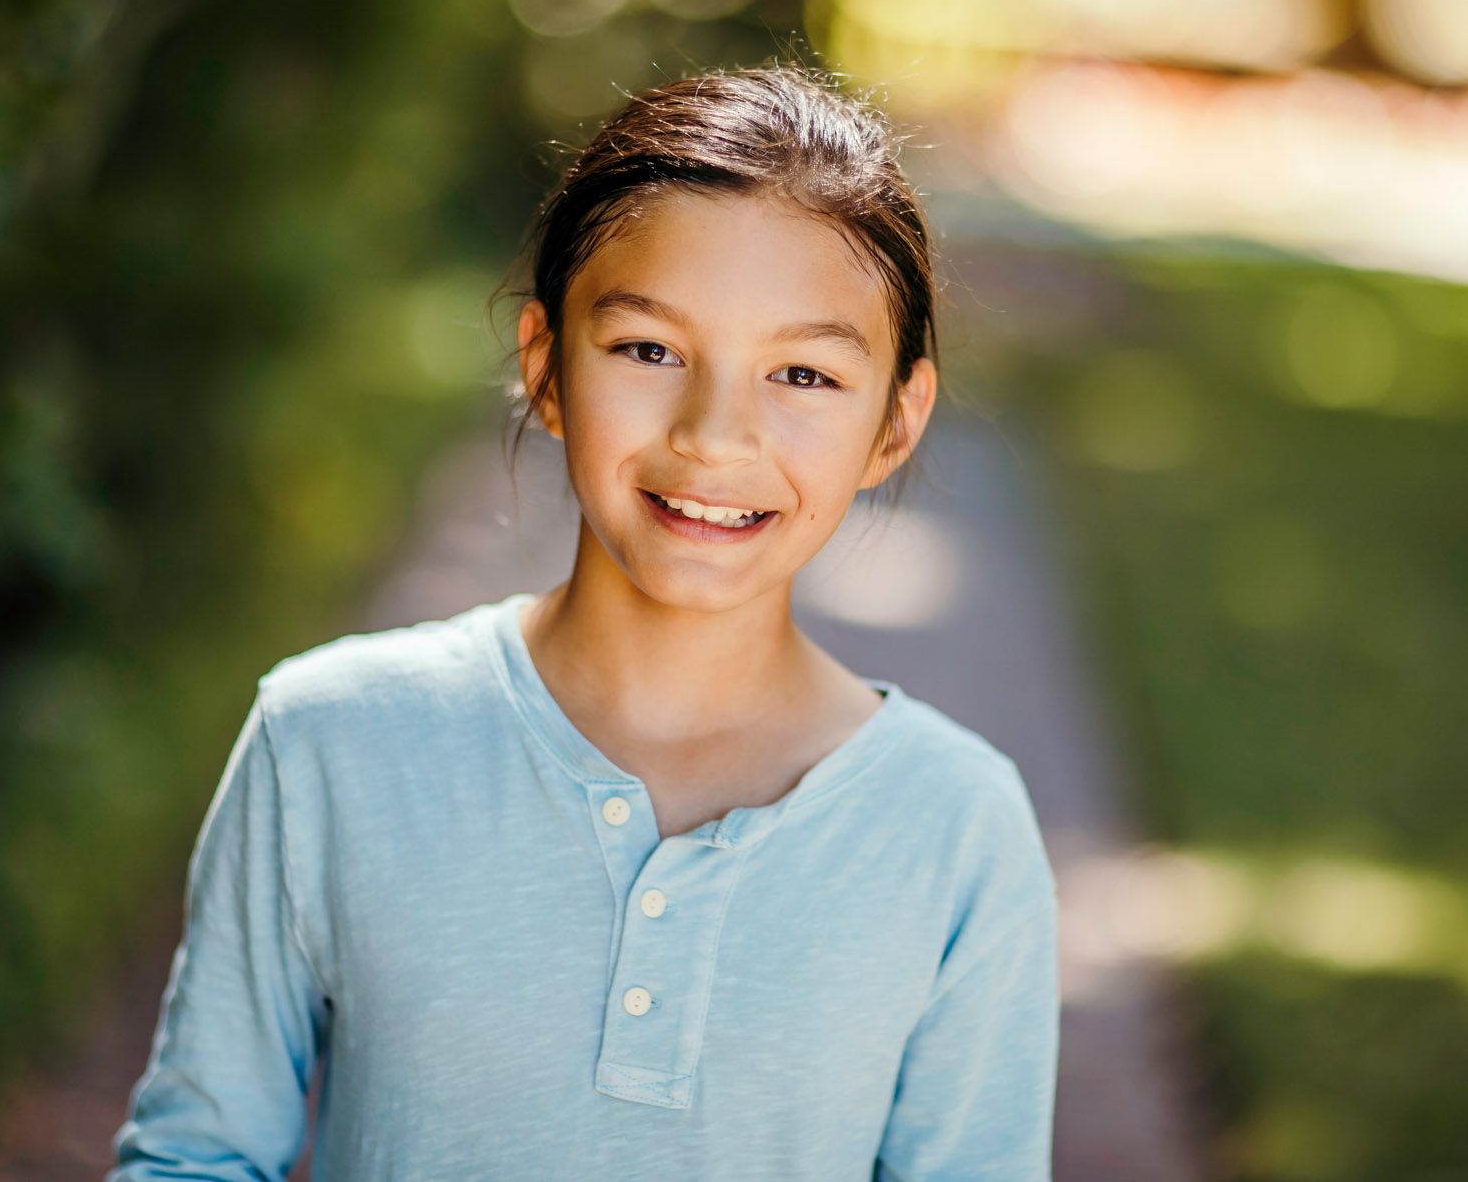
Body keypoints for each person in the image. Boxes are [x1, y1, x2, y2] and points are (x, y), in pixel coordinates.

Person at [108, 65, 1060, 1180]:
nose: (713, 435)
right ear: (544, 365)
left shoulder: (955, 832)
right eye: (648, 350)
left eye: (801, 372)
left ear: (894, 425)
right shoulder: (327, 741)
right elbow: (195, 1156)